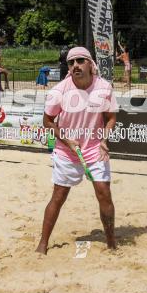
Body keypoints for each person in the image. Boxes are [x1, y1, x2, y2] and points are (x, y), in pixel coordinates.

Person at [36, 47, 118, 255]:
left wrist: (104, 139)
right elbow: (47, 121)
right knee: (59, 196)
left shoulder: (104, 87)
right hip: (67, 150)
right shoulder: (59, 90)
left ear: (90, 63)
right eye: (71, 62)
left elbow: (110, 118)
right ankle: (42, 244)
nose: (75, 65)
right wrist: (66, 139)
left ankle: (111, 243)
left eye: (80, 61)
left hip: (94, 148)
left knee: (104, 193)